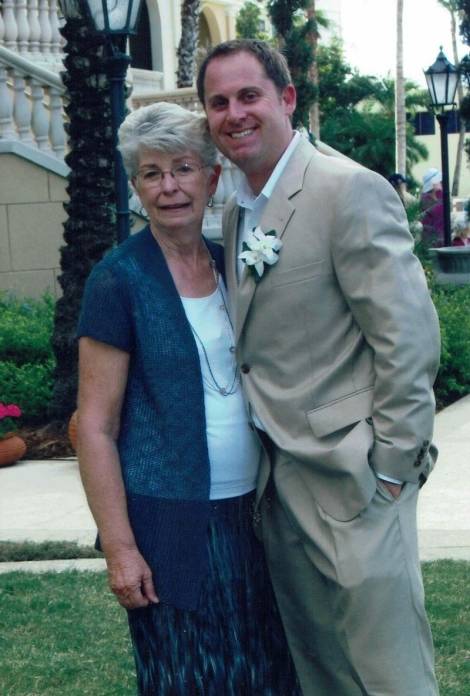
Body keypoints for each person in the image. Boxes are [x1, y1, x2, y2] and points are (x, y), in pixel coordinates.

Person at [197, 39, 441, 695]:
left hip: (356, 483)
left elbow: (408, 339)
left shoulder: (347, 190)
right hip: (278, 493)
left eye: (249, 95)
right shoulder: (236, 208)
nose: (234, 113)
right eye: (218, 102)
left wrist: (391, 469)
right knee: (323, 677)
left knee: (390, 677)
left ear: (286, 98)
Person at [76, 102, 299, 695]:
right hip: (167, 527)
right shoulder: (118, 280)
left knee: (269, 676)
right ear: (136, 187)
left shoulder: (233, 265)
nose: (169, 186)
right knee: (187, 678)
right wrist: (120, 548)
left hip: (255, 517)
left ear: (212, 177)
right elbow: (94, 426)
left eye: (183, 168)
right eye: (152, 173)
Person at [420, 167, 445, 247]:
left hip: (442, 240)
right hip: (431, 242)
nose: (441, 183)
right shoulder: (425, 200)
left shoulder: (441, 197)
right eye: (439, 181)